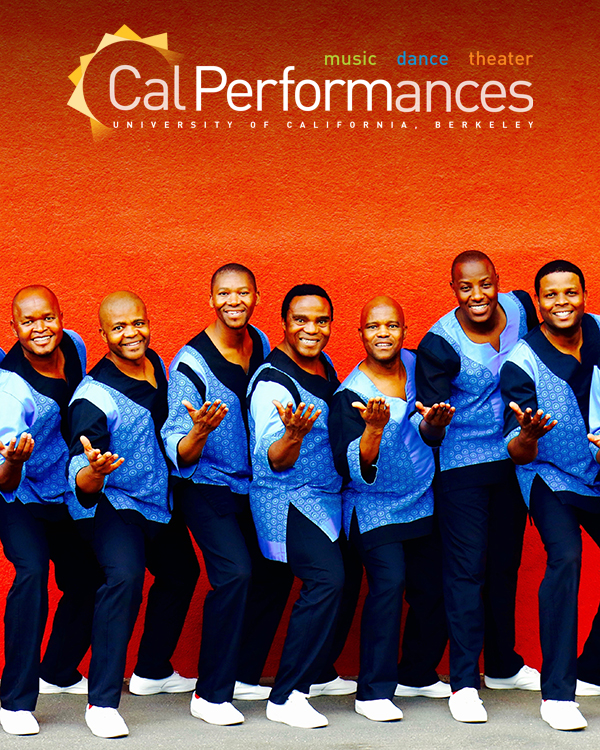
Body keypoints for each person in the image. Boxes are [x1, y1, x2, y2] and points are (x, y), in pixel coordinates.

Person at [161, 263, 293, 726]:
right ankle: (210, 694)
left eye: (243, 293)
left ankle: (242, 674)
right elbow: (178, 450)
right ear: (211, 299)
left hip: (251, 485)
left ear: (256, 297)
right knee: (235, 573)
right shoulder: (189, 364)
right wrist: (198, 432)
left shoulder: (259, 344)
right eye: (224, 293)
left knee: (275, 571)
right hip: (205, 484)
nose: (234, 301)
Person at [67, 291, 199, 739]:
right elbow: (78, 468)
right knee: (123, 580)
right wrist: (93, 472)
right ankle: (102, 702)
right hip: (114, 503)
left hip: (156, 503)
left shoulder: (156, 363)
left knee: (182, 572)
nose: (131, 334)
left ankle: (152, 671)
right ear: (102, 333)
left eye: (137, 323)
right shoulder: (92, 397)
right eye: (119, 328)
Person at [415, 251, 540, 723]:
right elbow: (428, 428)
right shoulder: (439, 344)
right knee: (466, 571)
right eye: (465, 288)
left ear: (497, 282)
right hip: (462, 467)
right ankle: (464, 682)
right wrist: (436, 425)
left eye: (484, 284)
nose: (477, 296)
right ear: (453, 290)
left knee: (505, 564)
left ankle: (503, 665)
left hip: (512, 458)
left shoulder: (523, 307)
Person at [329, 295, 454, 722]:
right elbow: (355, 465)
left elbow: (433, 428)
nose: (384, 333)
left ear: (404, 330)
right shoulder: (350, 394)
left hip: (421, 498)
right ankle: (373, 692)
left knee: (432, 586)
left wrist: (435, 423)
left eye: (392, 325)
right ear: (360, 333)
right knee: (389, 585)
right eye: (374, 326)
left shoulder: (420, 365)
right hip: (374, 507)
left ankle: (417, 673)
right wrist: (373, 430)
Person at [501, 259, 600, 731]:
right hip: (550, 474)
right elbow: (517, 451)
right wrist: (528, 434)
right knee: (566, 557)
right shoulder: (521, 361)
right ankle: (558, 695)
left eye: (571, 292)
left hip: (599, 472)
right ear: (538, 302)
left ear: (584, 294)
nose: (562, 302)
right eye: (551, 295)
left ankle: (593, 668)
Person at [0, 286, 100, 736]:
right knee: (32, 574)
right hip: (17, 495)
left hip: (62, 490)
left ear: (62, 317)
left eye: (48, 318)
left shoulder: (74, 346)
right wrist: (13, 461)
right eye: (28, 322)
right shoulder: (9, 388)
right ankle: (15, 701)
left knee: (89, 578)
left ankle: (58, 670)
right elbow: (1, 479)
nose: (40, 328)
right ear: (14, 328)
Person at [247, 284, 345, 729]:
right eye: (301, 320)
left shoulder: (322, 365)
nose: (312, 328)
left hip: (324, 496)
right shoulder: (273, 381)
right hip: (287, 499)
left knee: (341, 574)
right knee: (327, 579)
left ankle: (314, 671)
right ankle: (287, 696)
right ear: (283, 323)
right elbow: (273, 459)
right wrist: (292, 436)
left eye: (321, 320)